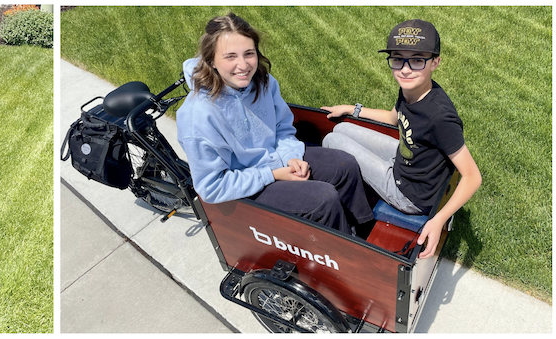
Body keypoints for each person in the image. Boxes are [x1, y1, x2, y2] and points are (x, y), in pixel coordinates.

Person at [176, 13, 373, 235]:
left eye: (249, 54)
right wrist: (273, 175)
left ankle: (364, 233)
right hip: (246, 185)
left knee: (344, 165)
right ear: (211, 60)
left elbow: (283, 128)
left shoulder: (264, 81)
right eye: (230, 56)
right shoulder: (197, 116)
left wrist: (291, 156)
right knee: (323, 199)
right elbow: (212, 187)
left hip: (277, 161)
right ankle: (345, 258)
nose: (243, 65)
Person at [322, 19, 481, 259]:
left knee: (331, 142)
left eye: (417, 60)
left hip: (409, 194)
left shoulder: (440, 118)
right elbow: (393, 118)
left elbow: (472, 176)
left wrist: (439, 220)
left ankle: (346, 198)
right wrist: (352, 110)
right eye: (398, 59)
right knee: (341, 129)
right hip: (405, 159)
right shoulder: (411, 89)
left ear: (435, 62)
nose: (405, 69)